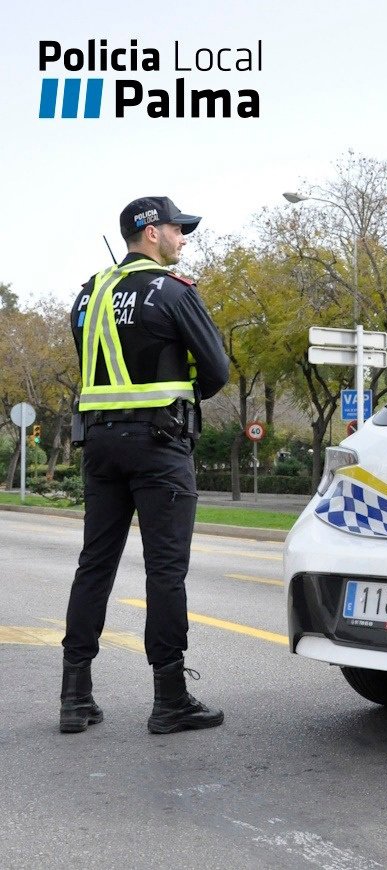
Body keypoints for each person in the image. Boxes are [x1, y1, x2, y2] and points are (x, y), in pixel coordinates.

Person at [59, 196, 230, 735]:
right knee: (165, 570)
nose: (184, 238)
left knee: (95, 565)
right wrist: (179, 401)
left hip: (100, 445)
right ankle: (170, 698)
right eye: (178, 229)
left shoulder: (89, 294)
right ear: (151, 232)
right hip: (159, 446)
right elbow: (217, 369)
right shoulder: (174, 291)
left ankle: (74, 696)